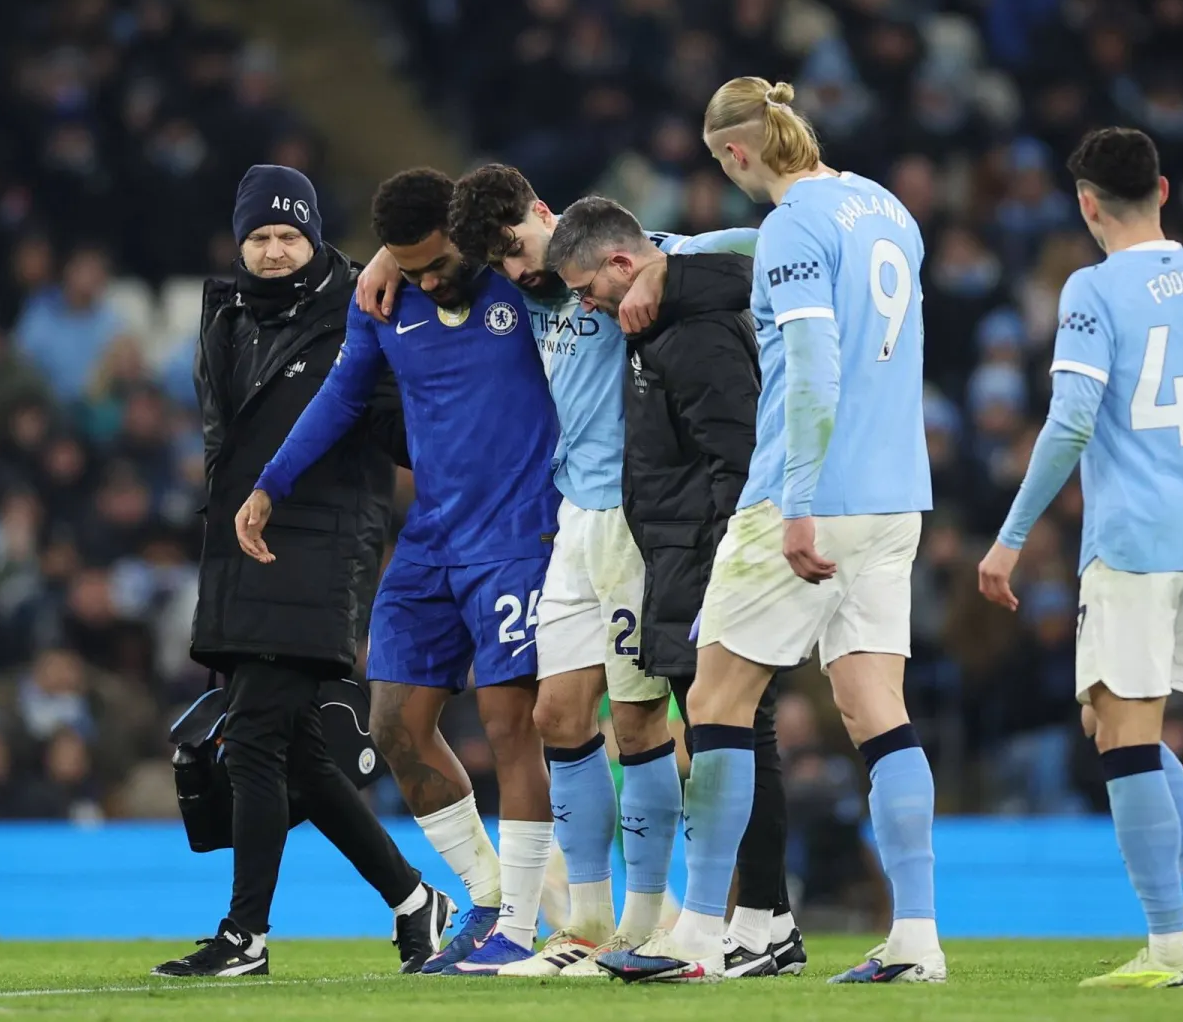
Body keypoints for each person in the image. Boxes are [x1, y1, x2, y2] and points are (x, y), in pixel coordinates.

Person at [353, 164, 781, 978]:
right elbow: (435, 218)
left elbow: (768, 244)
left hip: (628, 519)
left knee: (640, 724)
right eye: (503, 261)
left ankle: (641, 928)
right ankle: (581, 925)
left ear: (545, 211)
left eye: (518, 249)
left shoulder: (627, 257)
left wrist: (663, 269)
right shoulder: (533, 286)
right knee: (556, 716)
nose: (518, 271)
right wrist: (382, 255)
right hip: (567, 522)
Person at [600, 78, 942, 985]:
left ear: (735, 155)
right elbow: (771, 248)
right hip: (896, 493)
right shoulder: (886, 209)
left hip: (810, 496)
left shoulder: (795, 224)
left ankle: (699, 938)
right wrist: (681, 252)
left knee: (714, 706)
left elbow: (814, 368)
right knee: (877, 712)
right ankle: (917, 940)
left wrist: (796, 500)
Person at [243, 168, 558, 976]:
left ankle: (525, 926)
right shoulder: (383, 299)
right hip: (430, 541)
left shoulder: (522, 283)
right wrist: (271, 483)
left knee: (509, 728)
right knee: (391, 727)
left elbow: (552, 220)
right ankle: (489, 898)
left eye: (431, 263)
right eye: (404, 264)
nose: (422, 279)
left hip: (519, 533)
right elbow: (343, 396)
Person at [977, 127, 1183, 988]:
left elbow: (1070, 421)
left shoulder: (1092, 289)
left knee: (1126, 740)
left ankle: (1172, 949)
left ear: (1087, 204)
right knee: (1110, 723)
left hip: (1135, 542)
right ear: (1165, 191)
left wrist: (1011, 537)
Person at [154, 165, 452, 979]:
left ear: (315, 236)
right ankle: (413, 899)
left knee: (254, 737)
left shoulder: (365, 302)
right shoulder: (225, 314)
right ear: (239, 242)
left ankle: (244, 935)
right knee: (293, 756)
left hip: (320, 542)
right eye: (260, 237)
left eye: (290, 235)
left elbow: (398, 423)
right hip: (241, 545)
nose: (276, 251)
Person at [543, 196, 803, 977]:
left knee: (735, 730)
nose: (584, 306)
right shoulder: (659, 326)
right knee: (730, 728)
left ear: (625, 264)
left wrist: (726, 556)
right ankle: (761, 922)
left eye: (589, 289)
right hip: (678, 549)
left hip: (707, 552)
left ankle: (755, 922)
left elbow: (738, 452)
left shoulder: (694, 334)